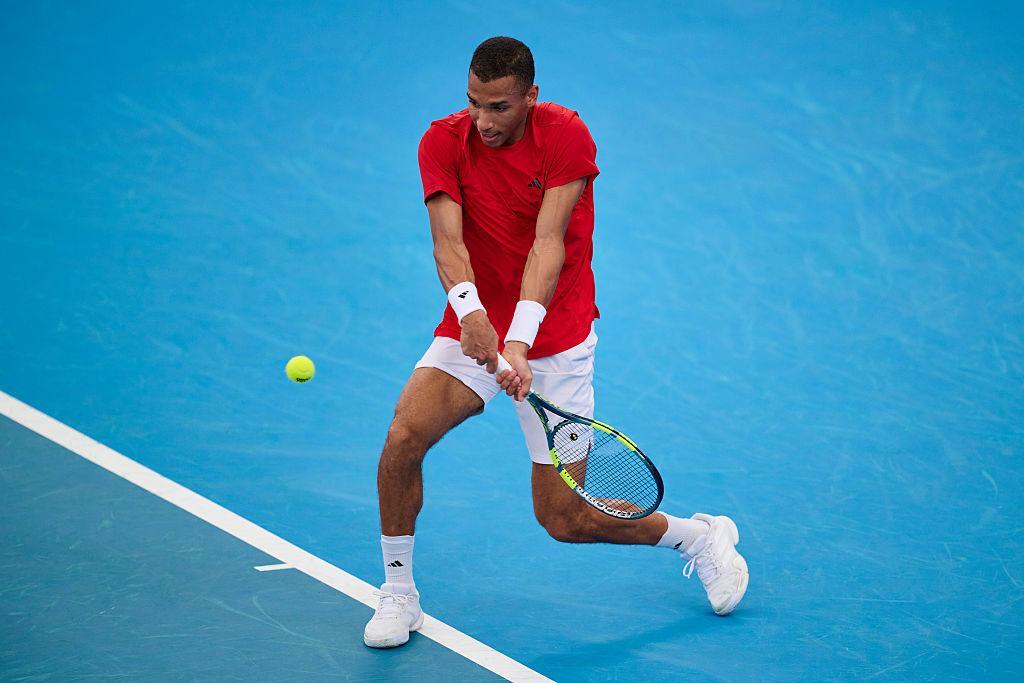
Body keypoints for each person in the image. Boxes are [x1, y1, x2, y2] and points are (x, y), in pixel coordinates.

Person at [363, 36, 749, 649]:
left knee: (563, 519)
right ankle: (398, 593)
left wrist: (520, 341)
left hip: (558, 340)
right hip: (476, 329)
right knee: (402, 440)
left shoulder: (566, 136)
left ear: (531, 98)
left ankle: (699, 537)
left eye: (498, 108)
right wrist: (471, 313)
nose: (482, 122)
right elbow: (448, 243)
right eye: (473, 105)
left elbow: (550, 244)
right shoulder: (443, 139)